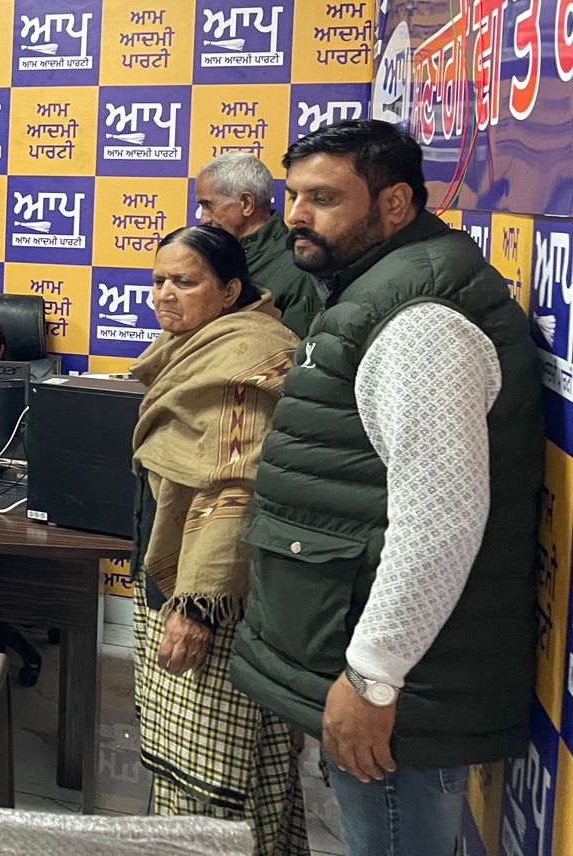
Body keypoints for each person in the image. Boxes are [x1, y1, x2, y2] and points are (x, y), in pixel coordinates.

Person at [230, 120, 543, 856]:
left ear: (395, 204)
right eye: (293, 196)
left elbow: (440, 520)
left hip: (399, 694)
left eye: (323, 199)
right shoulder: (378, 288)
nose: (297, 215)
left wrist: (374, 677)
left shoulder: (419, 319)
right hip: (389, 673)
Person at [130, 226, 304, 854]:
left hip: (215, 597)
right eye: (159, 281)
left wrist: (197, 610)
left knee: (214, 781)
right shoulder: (195, 345)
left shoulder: (244, 357)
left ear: (231, 291)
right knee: (219, 774)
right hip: (182, 580)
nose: (165, 294)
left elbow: (235, 489)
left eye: (185, 281)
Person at [195, 153, 321, 338]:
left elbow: (295, 350)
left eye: (208, 205)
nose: (203, 219)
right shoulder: (213, 257)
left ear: (246, 204)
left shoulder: (297, 270)